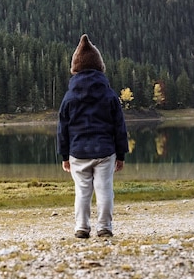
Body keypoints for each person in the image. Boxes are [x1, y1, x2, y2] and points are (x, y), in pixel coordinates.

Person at [57, 34, 128, 239]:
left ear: (75, 68)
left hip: (78, 152)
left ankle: (82, 227)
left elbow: (63, 128)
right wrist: (121, 154)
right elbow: (119, 126)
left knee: (82, 191)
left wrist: (64, 156)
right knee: (105, 190)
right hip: (106, 151)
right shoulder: (109, 94)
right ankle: (104, 227)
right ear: (99, 66)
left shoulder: (69, 97)